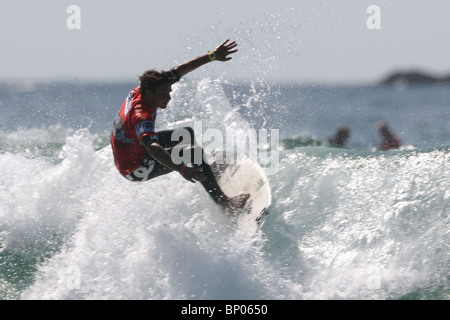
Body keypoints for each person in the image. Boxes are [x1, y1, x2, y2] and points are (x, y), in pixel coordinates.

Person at [110, 39, 248, 212]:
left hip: (134, 147)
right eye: (164, 94)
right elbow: (153, 148)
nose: (168, 97)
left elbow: (179, 71)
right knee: (193, 152)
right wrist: (182, 169)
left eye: (169, 92)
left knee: (186, 133)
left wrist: (212, 56)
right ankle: (225, 204)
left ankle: (206, 171)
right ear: (150, 93)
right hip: (135, 168)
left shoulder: (146, 87)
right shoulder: (141, 115)